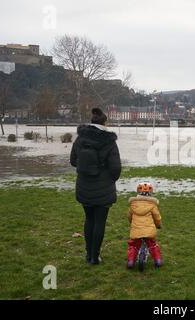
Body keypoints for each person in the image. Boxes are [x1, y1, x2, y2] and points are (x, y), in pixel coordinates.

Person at [70, 107, 121, 265]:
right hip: (104, 189)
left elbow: (73, 161)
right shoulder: (109, 142)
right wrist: (110, 179)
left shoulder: (80, 139)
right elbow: (115, 168)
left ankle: (88, 254)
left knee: (89, 219)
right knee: (100, 222)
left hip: (84, 187)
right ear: (105, 122)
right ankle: (95, 256)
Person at [127, 182, 163, 269]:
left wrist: (131, 222)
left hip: (136, 230)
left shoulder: (133, 204)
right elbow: (157, 217)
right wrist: (158, 225)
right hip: (149, 230)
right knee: (152, 244)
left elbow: (129, 216)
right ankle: (158, 260)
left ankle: (131, 261)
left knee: (134, 245)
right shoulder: (152, 205)